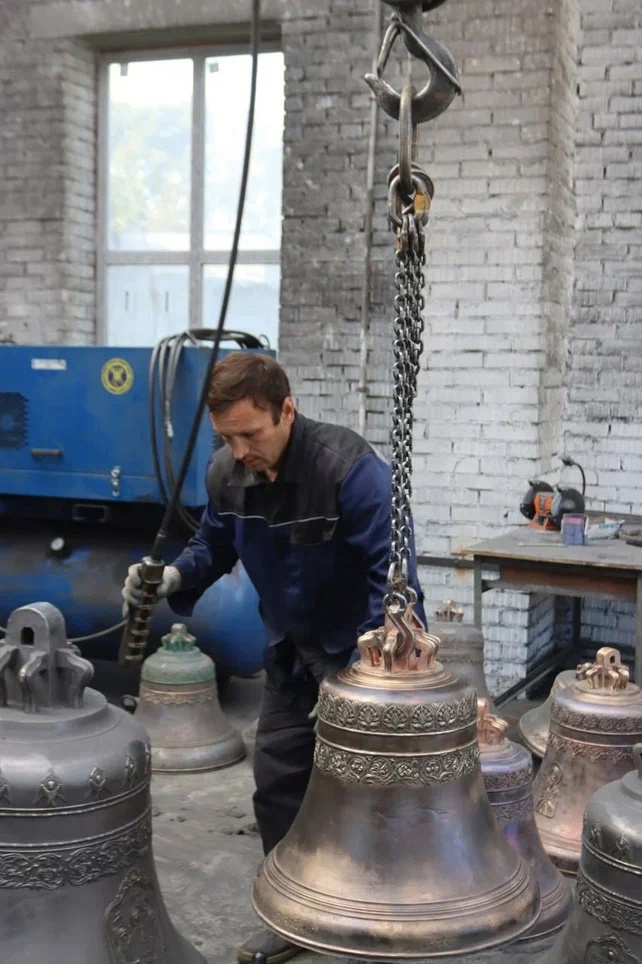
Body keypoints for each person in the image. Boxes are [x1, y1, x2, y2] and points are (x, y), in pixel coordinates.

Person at [122, 352, 425, 964]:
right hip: (290, 653)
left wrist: (361, 681)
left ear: (287, 410)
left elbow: (393, 584)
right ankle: (292, 914)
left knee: (371, 792)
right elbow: (213, 542)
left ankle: (388, 907)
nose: (240, 452)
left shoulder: (350, 472)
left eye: (250, 435)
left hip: (361, 658)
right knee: (279, 779)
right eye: (226, 438)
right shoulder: (226, 473)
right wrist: (175, 576)